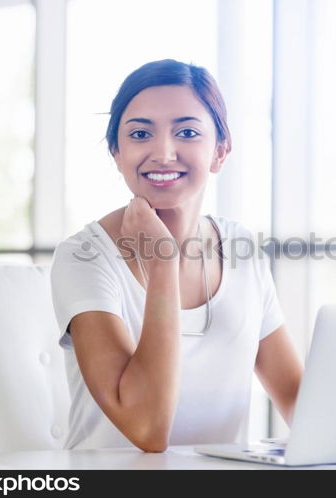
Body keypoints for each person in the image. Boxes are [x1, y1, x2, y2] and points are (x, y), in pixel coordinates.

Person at [50, 59, 304, 453]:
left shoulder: (241, 249)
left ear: (220, 151)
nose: (164, 153)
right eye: (140, 134)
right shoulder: (83, 257)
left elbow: (299, 402)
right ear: (117, 153)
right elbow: (147, 429)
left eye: (186, 132)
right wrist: (163, 261)